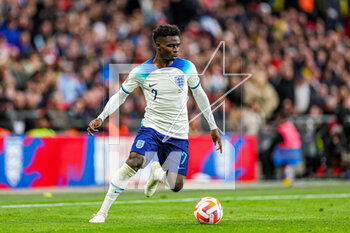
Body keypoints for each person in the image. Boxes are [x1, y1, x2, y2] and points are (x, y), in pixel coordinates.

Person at [87, 24, 222, 223]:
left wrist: (212, 126)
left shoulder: (186, 67)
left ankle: (157, 172)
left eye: (177, 45)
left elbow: (199, 94)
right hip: (152, 128)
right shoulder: (141, 71)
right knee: (134, 161)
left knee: (176, 185)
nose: (176, 50)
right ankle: (101, 213)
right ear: (158, 46)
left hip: (178, 133)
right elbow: (120, 96)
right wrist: (102, 116)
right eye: (171, 46)